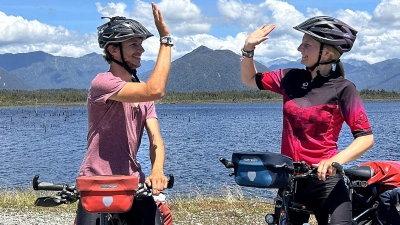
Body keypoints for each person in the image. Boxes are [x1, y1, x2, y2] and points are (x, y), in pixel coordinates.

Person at [240, 16, 374, 225]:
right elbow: (249, 79)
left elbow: (365, 138)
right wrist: (248, 49)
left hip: (325, 182)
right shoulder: (290, 78)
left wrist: (334, 161)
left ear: (327, 52)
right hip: (290, 180)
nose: (299, 48)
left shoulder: (344, 89)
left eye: (307, 44)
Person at [75, 2, 173, 225]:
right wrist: (165, 39)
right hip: (95, 182)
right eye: (133, 44)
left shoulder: (141, 93)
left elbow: (155, 139)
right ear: (113, 50)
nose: (141, 49)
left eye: (141, 44)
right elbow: (156, 90)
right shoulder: (103, 83)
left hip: (131, 182)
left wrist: (157, 170)